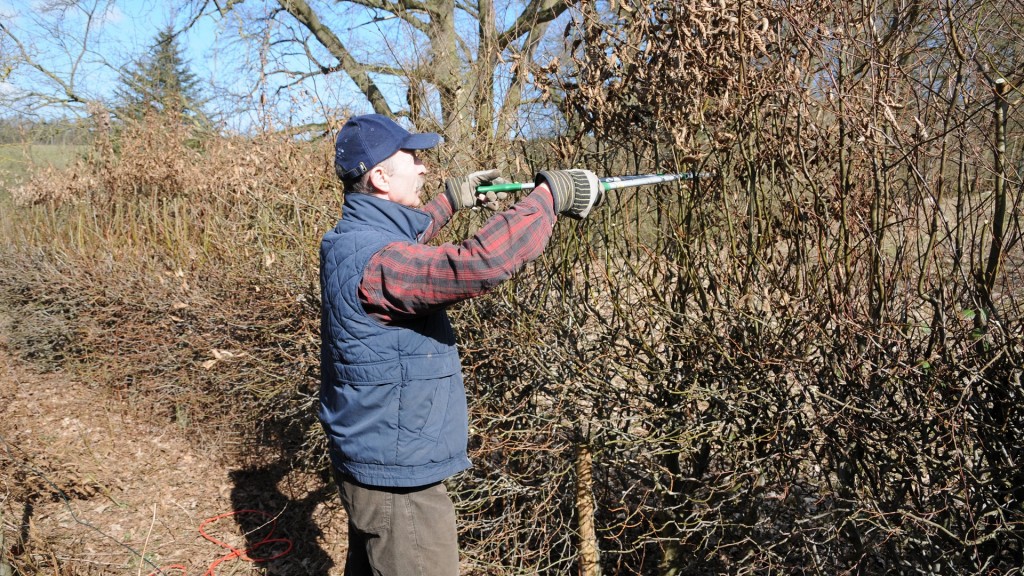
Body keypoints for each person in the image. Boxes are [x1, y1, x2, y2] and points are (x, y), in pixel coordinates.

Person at [319, 113, 604, 576]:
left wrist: (451, 201)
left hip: (374, 455)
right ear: (381, 177)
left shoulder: (349, 239)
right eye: (413, 158)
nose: (424, 166)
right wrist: (548, 199)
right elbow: (474, 265)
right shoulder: (379, 262)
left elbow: (399, 234)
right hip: (399, 482)